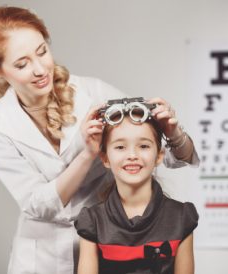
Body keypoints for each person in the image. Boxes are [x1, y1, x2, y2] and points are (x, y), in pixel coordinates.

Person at [0, 6, 199, 274]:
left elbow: (163, 154)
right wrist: (88, 154)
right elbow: (38, 206)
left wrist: (172, 132)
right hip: (41, 257)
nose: (41, 69)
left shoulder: (93, 93)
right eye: (22, 64)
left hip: (108, 240)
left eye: (42, 51)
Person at [74, 98, 198, 274]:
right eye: (120, 147)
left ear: (159, 155)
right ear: (105, 158)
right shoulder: (92, 221)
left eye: (144, 146)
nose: (132, 155)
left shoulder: (181, 217)